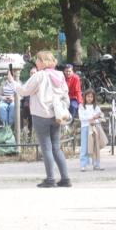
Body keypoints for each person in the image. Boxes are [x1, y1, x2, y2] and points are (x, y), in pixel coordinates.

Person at [18, 50, 71, 187]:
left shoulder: (39, 75)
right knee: (56, 148)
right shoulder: (60, 75)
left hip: (41, 115)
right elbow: (65, 93)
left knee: (46, 148)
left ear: (42, 62)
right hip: (57, 115)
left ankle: (50, 179)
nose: (36, 62)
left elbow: (24, 91)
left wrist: (14, 83)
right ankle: (65, 178)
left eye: (37, 60)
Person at [78, 89, 104, 171]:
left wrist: (95, 119)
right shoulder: (82, 106)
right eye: (88, 96)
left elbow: (100, 116)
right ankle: (83, 164)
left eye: (91, 97)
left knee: (95, 146)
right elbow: (82, 118)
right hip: (85, 128)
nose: (89, 98)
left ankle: (96, 164)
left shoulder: (96, 107)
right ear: (85, 97)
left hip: (94, 127)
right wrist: (92, 117)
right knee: (84, 146)